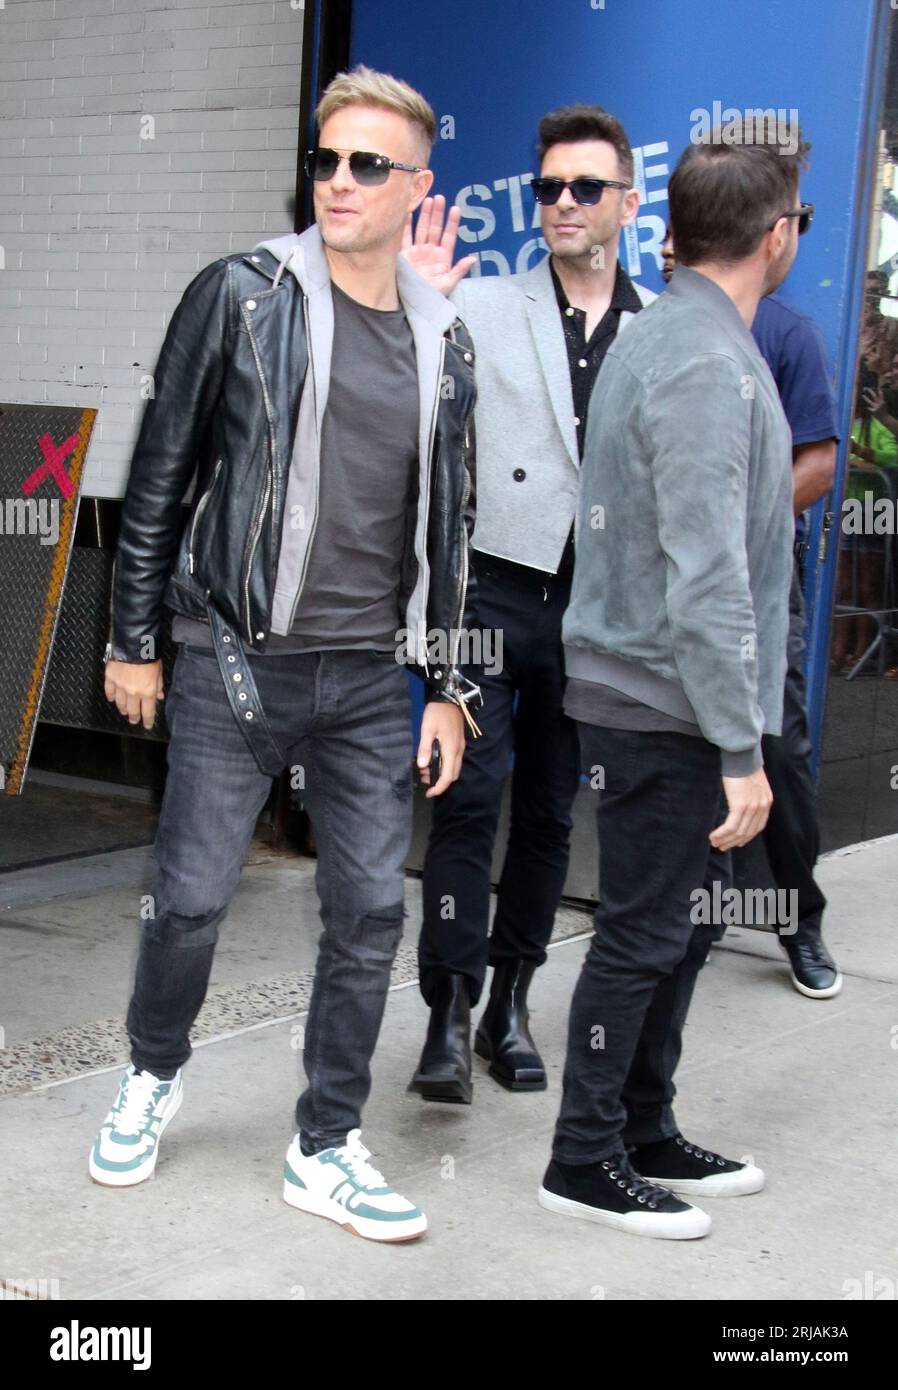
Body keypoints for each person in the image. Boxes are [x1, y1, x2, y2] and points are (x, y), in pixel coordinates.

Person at [91, 66, 481, 1244]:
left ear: (418, 185)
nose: (340, 181)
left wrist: (450, 687)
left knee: (368, 914)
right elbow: (158, 470)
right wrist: (134, 637)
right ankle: (152, 1070)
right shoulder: (241, 294)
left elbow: (453, 521)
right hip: (229, 658)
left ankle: (324, 1142)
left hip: (368, 676)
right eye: (327, 158)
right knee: (194, 899)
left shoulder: (444, 335)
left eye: (371, 163)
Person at [540, 130, 810, 1239]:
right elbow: (707, 577)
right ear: (776, 235)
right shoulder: (700, 359)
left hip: (658, 694)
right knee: (644, 933)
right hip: (664, 705)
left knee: (680, 927)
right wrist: (742, 748)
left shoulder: (677, 336)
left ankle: (643, 1125)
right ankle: (582, 1157)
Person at [402, 106, 655, 1104]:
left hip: (594, 611)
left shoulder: (660, 329)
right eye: (548, 187)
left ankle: (509, 1004)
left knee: (549, 818)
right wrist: (414, 309)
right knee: (465, 802)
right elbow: (415, 412)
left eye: (584, 188)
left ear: (626, 205)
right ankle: (443, 1010)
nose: (560, 204)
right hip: (487, 587)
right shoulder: (488, 305)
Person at [664, 227, 842, 998]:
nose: (669, 250)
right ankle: (681, 910)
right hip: (665, 582)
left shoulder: (784, 330)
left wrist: (737, 519)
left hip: (761, 578)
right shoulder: (651, 328)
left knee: (775, 741)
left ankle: (798, 918)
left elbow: (822, 459)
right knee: (670, 744)